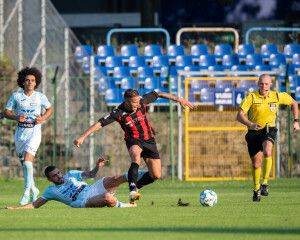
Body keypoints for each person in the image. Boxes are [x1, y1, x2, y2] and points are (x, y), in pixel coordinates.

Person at [74, 89, 194, 204]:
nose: (138, 104)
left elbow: (159, 93)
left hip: (149, 140)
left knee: (156, 175)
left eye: (138, 101)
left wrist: (179, 99)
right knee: (135, 157)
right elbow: (99, 124)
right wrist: (82, 137)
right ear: (126, 101)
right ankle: (132, 191)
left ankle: (136, 186)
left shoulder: (142, 101)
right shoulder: (118, 113)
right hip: (133, 140)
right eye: (134, 102)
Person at [236, 74, 299, 202]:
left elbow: (294, 102)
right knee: (256, 164)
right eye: (261, 84)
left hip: (268, 129)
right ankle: (256, 189)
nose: (264, 86)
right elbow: (239, 115)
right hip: (253, 132)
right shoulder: (251, 97)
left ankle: (265, 183)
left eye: (266, 84)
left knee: (268, 151)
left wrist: (296, 121)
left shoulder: (276, 96)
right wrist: (251, 124)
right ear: (258, 84)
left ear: (271, 85)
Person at [1, 158, 146, 209]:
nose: (59, 176)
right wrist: (14, 208)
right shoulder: (51, 191)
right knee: (108, 198)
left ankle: (147, 174)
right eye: (55, 176)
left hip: (92, 188)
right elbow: (34, 205)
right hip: (84, 201)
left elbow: (91, 174)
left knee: (116, 178)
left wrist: (99, 166)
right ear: (49, 179)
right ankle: (125, 206)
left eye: (58, 173)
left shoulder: (70, 174)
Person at [3, 67, 53, 205]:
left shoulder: (40, 97)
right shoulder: (16, 96)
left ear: (36, 83)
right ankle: (34, 189)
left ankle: (26, 192)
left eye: (32, 80)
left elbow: (50, 109)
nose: (30, 82)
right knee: (24, 166)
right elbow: (6, 112)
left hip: (34, 133)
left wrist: (42, 118)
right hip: (20, 135)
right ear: (23, 82)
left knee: (27, 162)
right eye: (27, 80)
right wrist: (16, 117)